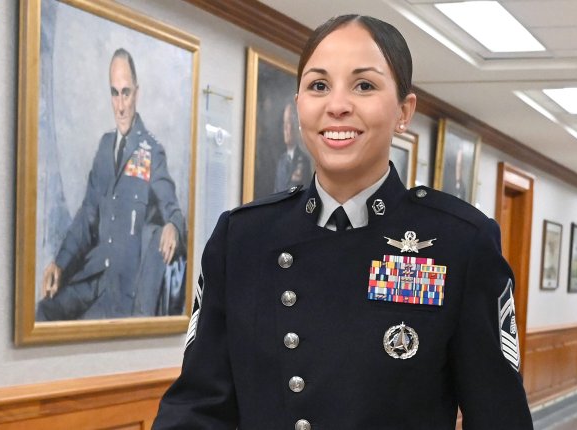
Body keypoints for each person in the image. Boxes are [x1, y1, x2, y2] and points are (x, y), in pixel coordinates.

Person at [154, 15, 532, 429]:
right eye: (318, 85)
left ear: (404, 112)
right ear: (298, 104)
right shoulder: (242, 238)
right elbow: (197, 406)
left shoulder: (459, 243)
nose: (337, 105)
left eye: (364, 85)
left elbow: (500, 417)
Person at [37, 48, 186, 320]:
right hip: (92, 275)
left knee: (77, 332)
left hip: (121, 289)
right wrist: (60, 263)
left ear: (136, 94)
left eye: (126, 93)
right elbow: (87, 215)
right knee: (43, 312)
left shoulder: (152, 151)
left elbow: (172, 207)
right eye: (115, 93)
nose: (120, 105)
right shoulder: (105, 148)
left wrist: (173, 226)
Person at [274, 100, 312, 192]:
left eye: (291, 123)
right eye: (285, 124)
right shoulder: (281, 161)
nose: (288, 129)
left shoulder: (304, 160)